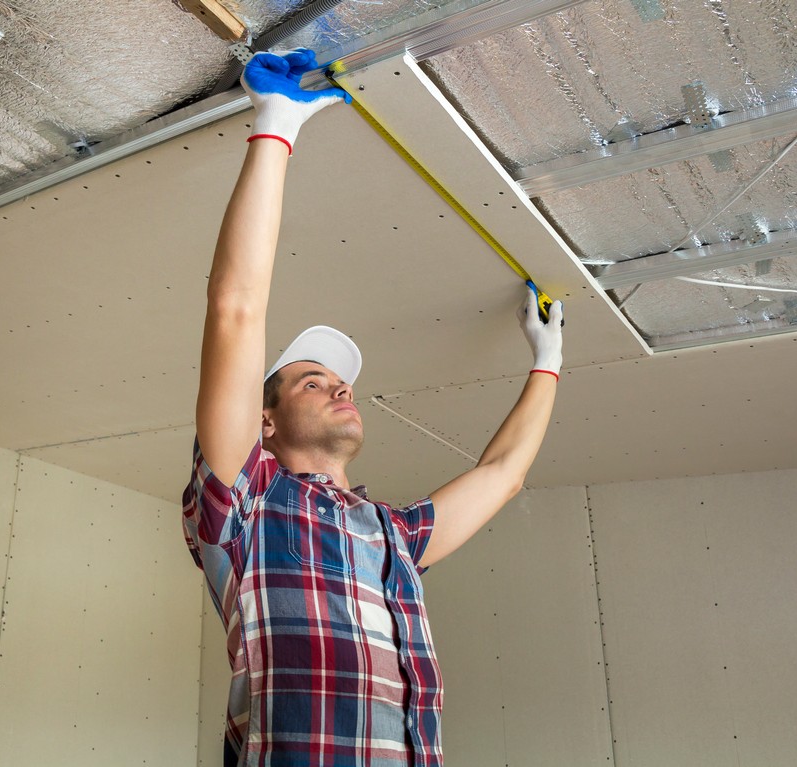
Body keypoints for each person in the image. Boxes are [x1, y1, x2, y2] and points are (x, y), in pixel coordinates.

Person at [182, 49, 564, 767]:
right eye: (311, 381)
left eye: (340, 381)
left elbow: (503, 474)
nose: (340, 387)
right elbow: (235, 310)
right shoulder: (246, 503)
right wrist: (275, 130)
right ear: (265, 422)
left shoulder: (388, 534)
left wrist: (548, 361)